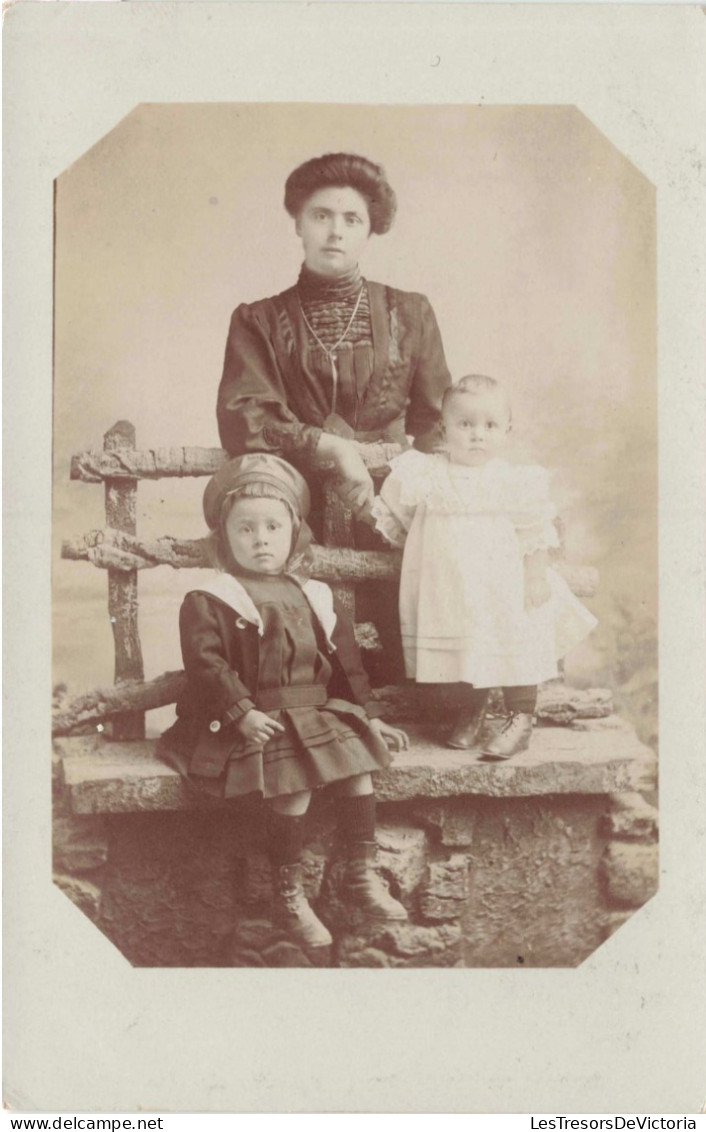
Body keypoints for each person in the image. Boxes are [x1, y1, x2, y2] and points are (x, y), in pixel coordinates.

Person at [158, 453, 409, 952]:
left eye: (274, 526)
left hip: (311, 710)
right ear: (224, 536)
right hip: (255, 718)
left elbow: (346, 667)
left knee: (358, 769)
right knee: (292, 786)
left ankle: (362, 871)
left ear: (295, 531)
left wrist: (370, 719)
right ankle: (288, 893)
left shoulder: (313, 593)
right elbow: (208, 669)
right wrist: (241, 713)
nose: (261, 539)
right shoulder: (211, 598)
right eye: (245, 529)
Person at [216, 151, 451, 533]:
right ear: (298, 225)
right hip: (294, 512)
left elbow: (437, 425)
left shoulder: (411, 314)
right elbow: (245, 419)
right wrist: (337, 448)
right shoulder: (256, 321)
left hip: (390, 510)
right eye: (321, 215)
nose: (335, 231)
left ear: (370, 230)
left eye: (352, 219)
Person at [371, 374, 598, 760]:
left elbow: (535, 531)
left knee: (515, 640)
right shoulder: (426, 473)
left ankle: (521, 718)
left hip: (504, 585)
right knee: (466, 644)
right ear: (444, 428)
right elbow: (399, 516)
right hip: (452, 588)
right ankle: (472, 709)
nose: (478, 435)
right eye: (465, 424)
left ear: (507, 430)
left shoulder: (511, 481)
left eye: (490, 425)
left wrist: (536, 575)